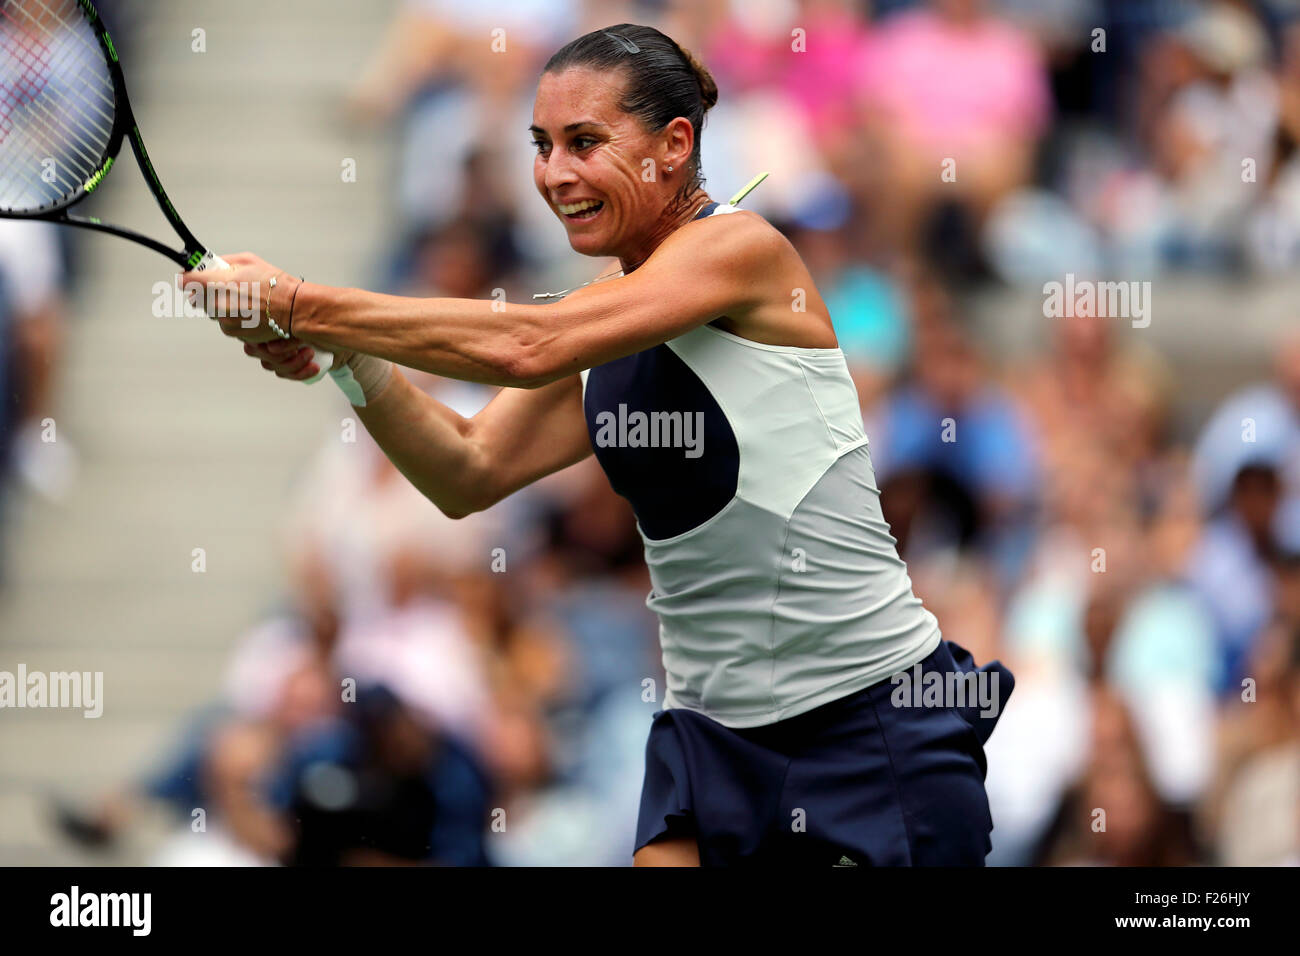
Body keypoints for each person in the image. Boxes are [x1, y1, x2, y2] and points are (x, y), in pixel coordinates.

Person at [184, 23, 1013, 867]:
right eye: (542, 146)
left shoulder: (742, 251)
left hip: (864, 729)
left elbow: (527, 344)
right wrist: (349, 358)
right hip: (713, 740)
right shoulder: (606, 317)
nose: (555, 174)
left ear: (674, 144)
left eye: (585, 143)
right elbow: (466, 469)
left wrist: (298, 302)